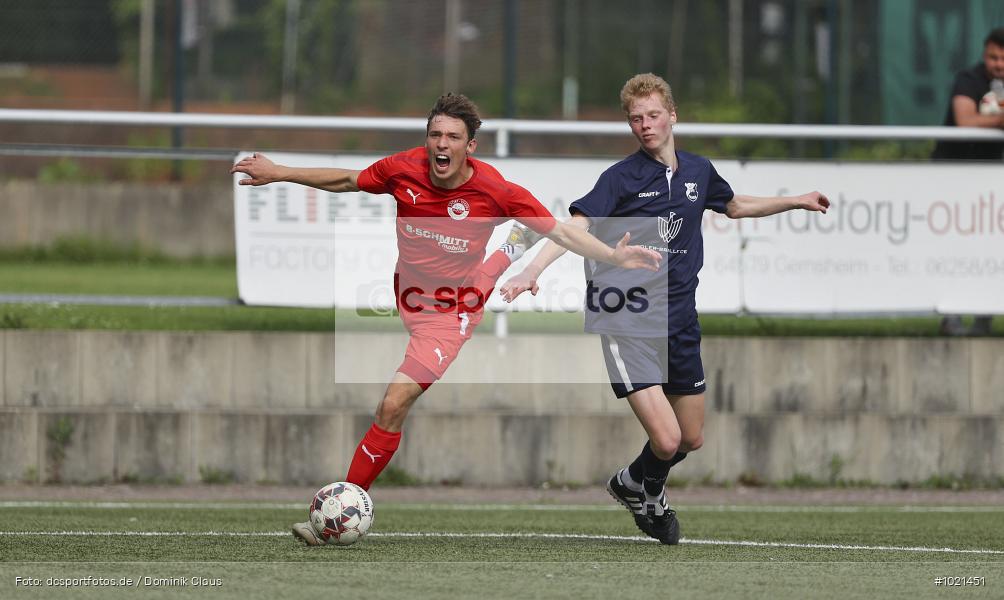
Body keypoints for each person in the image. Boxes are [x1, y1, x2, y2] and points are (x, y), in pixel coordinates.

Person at [230, 93, 661, 546]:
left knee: (393, 404)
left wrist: (613, 254)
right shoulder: (404, 168)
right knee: (490, 263)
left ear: (470, 145)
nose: (442, 143)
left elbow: (560, 231)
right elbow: (345, 179)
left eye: (453, 136)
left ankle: (342, 507)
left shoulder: (495, 190)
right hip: (409, 292)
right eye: (435, 134)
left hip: (451, 312)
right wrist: (279, 173)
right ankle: (512, 244)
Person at [500, 73, 829, 545]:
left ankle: (632, 483)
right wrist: (533, 271)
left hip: (680, 320)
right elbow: (575, 227)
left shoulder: (698, 171)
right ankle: (650, 497)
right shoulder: (619, 178)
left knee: (690, 438)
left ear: (672, 115)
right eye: (636, 119)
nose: (645, 125)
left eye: (653, 115)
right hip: (628, 316)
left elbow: (734, 206)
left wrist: (794, 200)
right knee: (668, 439)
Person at [932, 27, 1004, 336]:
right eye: (993, 57)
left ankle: (985, 315)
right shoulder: (969, 80)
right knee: (954, 248)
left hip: (993, 183)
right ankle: (951, 315)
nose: (999, 64)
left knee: (991, 247)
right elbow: (965, 121)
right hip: (955, 179)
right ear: (984, 54)